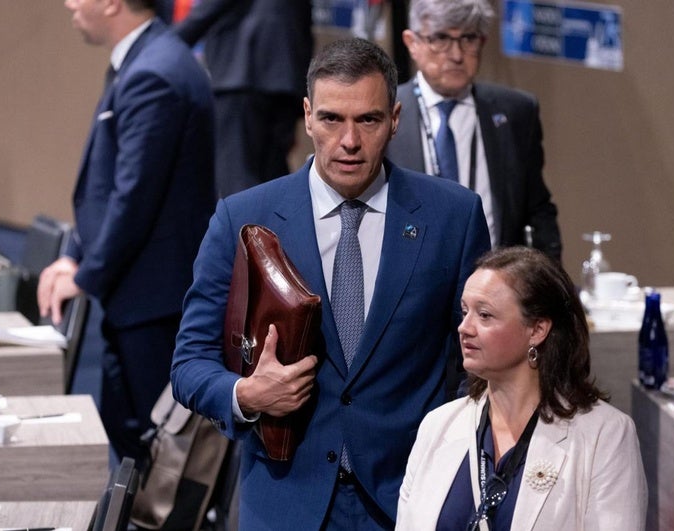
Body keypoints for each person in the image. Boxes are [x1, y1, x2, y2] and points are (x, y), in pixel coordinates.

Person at [170, 38, 491, 530]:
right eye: (331, 119)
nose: (349, 141)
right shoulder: (243, 216)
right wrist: (247, 395)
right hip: (284, 502)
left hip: (407, 500)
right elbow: (190, 363)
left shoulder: (454, 216)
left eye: (368, 120)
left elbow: (482, 361)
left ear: (395, 119)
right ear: (306, 116)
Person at [38, 0, 216, 464]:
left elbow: (134, 196)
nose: (69, 4)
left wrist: (84, 275)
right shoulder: (145, 60)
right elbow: (111, 185)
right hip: (138, 296)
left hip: (154, 303)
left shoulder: (154, 73)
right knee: (134, 444)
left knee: (161, 458)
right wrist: (75, 253)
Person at [396, 246, 647, 530]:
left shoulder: (606, 435)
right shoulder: (437, 426)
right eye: (465, 312)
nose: (464, 328)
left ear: (537, 330)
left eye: (485, 315)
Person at [386, 0, 562, 260]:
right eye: (441, 39)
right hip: (412, 283)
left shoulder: (516, 112)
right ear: (412, 43)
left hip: (494, 282)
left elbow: (538, 209)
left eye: (468, 39)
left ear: (482, 42)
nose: (456, 54)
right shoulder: (384, 114)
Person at [157, 0, 314, 197]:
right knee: (272, 182)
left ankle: (244, 228)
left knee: (238, 179)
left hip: (244, 72)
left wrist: (160, 47)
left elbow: (210, 9)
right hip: (285, 78)